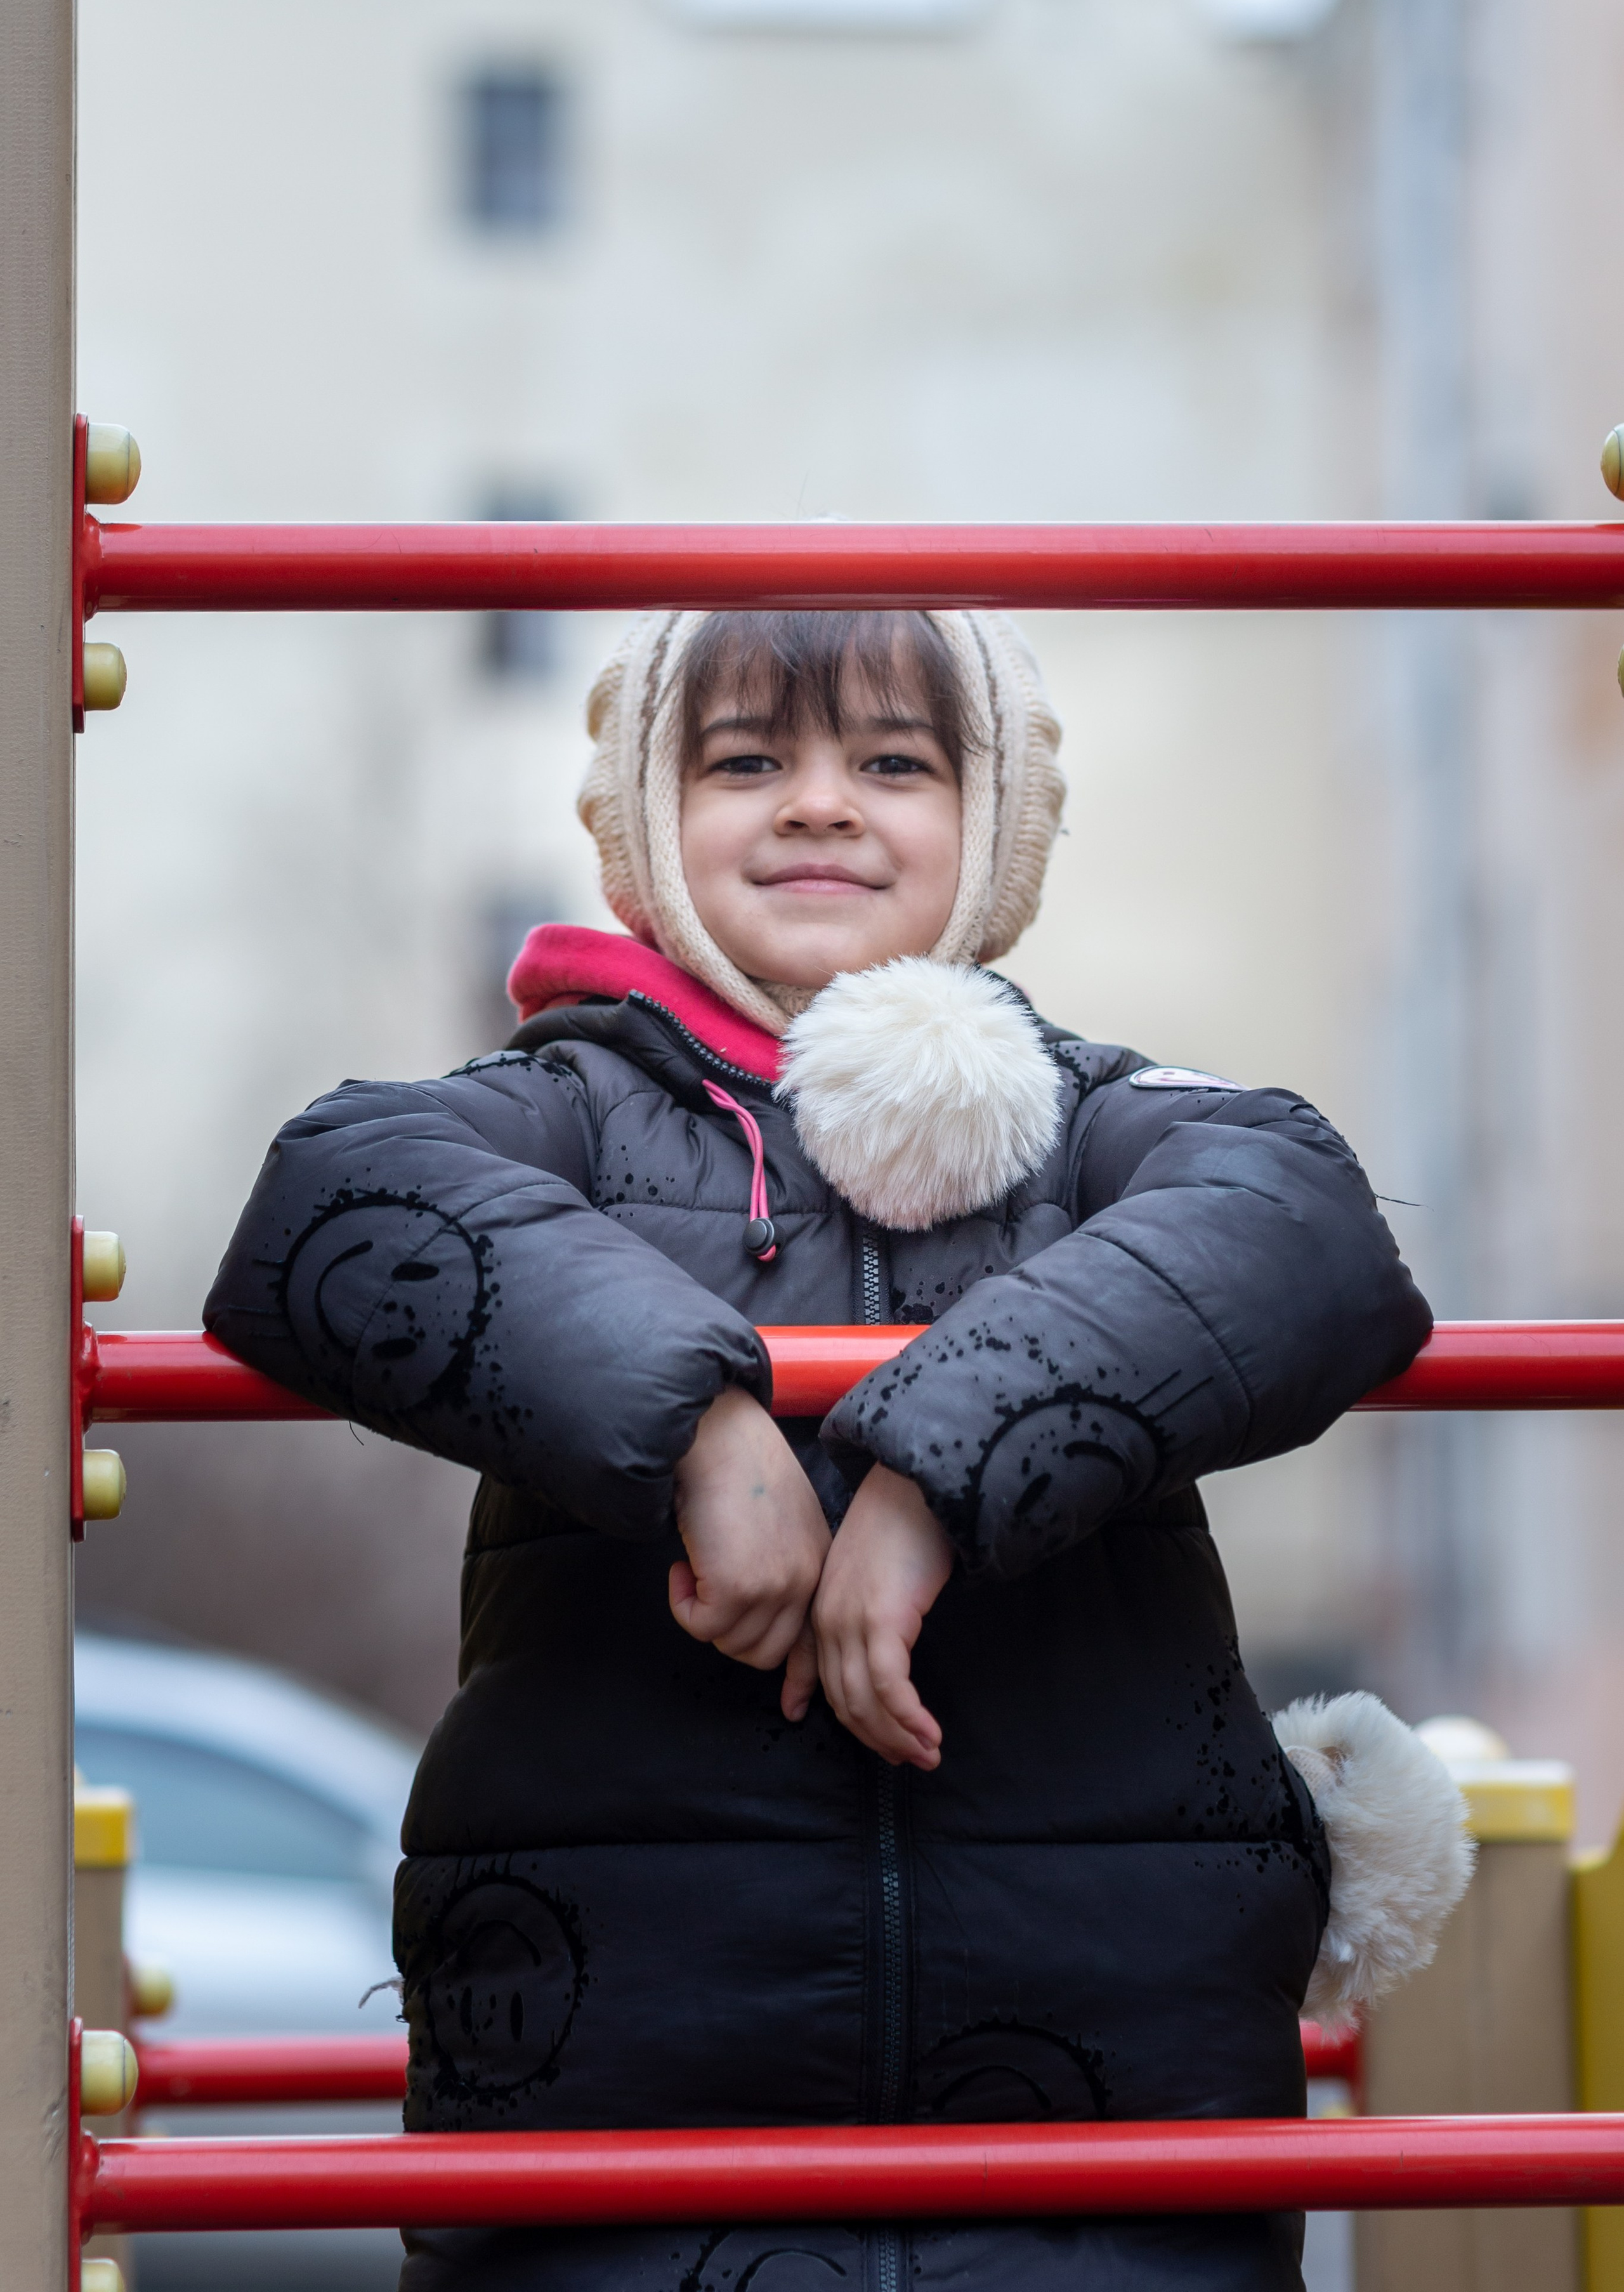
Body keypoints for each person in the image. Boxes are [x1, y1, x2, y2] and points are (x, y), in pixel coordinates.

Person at [206, 607, 1467, 2292]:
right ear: (652, 829)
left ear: (995, 822)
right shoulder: (566, 1116)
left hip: (1103, 2121)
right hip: (631, 2114)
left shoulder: (1090, 1124)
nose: (819, 805)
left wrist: (941, 1467)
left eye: (893, 762)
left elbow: (1308, 1230)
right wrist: (705, 1432)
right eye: (747, 762)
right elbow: (332, 1193)